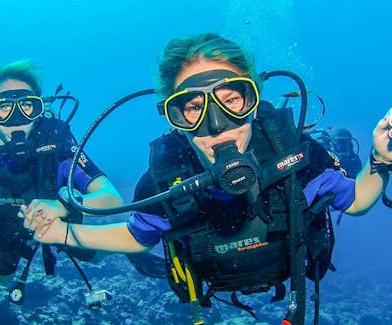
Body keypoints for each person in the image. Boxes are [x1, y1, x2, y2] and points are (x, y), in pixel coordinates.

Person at [21, 33, 392, 324]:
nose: (216, 127)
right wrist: (61, 233)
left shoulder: (297, 155)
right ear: (174, 119)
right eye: (194, 109)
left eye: (231, 100)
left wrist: (381, 158)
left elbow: (356, 200)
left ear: (254, 101)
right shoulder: (164, 180)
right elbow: (137, 235)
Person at [0, 59, 125, 302]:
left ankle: (132, 253)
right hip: (1, 227)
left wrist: (62, 206)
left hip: (57, 223)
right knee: (1, 275)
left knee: (97, 256)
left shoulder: (59, 152)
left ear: (40, 110)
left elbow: (111, 197)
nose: (17, 119)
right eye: (4, 108)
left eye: (27, 105)